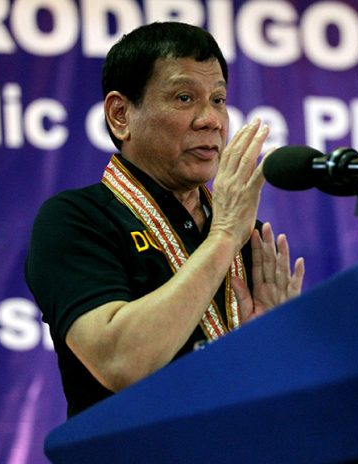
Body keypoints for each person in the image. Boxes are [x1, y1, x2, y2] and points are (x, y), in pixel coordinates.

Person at [25, 22, 305, 418]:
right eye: (185, 97)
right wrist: (222, 237)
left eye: (219, 99)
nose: (211, 120)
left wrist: (273, 342)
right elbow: (118, 361)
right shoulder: (76, 219)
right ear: (120, 115)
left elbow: (285, 396)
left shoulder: (249, 237)